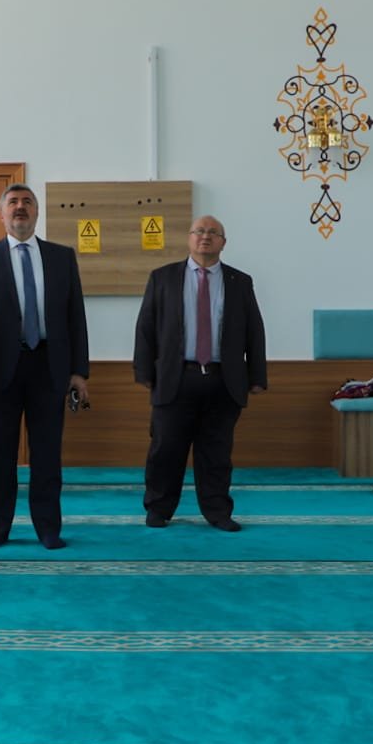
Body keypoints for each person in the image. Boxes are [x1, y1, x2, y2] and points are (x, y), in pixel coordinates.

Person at [0, 183, 90, 550]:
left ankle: (48, 528)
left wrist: (79, 371)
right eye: (13, 202)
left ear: (37, 212)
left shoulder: (61, 257)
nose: (20, 207)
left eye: (27, 202)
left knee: (47, 454)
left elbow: (75, 317)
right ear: (2, 214)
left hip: (49, 366)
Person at [132, 215, 267, 532]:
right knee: (165, 449)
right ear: (189, 238)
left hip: (223, 379)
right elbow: (146, 327)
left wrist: (257, 376)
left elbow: (254, 330)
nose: (205, 236)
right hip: (176, 377)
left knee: (216, 452)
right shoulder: (163, 277)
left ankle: (218, 511)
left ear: (223, 242)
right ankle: (158, 508)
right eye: (199, 231)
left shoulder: (239, 281)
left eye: (213, 232)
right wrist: (144, 371)